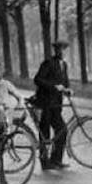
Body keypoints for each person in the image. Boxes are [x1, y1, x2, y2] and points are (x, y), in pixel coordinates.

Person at [33, 40, 71, 170]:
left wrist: (68, 90)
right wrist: (54, 87)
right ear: (55, 50)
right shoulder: (48, 63)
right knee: (45, 133)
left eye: (64, 49)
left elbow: (65, 82)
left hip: (56, 105)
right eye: (59, 49)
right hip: (45, 103)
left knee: (62, 130)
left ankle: (56, 160)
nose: (62, 51)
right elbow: (37, 79)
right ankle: (45, 163)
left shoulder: (64, 65)